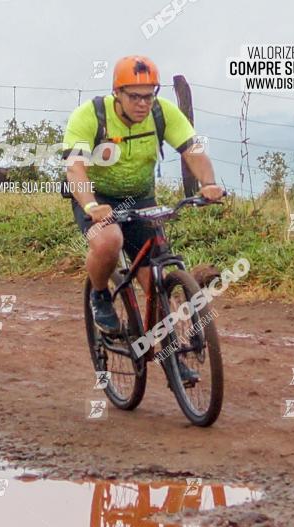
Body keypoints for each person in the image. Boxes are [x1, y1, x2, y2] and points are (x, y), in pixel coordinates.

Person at [63, 55, 224, 341]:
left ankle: (172, 360)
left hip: (139, 196)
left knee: (156, 284)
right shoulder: (90, 116)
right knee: (109, 240)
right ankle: (100, 296)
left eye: (149, 97)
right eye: (135, 97)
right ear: (117, 93)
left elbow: (192, 150)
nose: (143, 104)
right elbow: (75, 168)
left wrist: (209, 184)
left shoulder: (162, 113)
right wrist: (90, 205)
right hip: (95, 195)